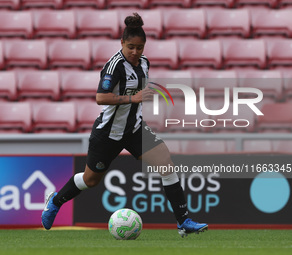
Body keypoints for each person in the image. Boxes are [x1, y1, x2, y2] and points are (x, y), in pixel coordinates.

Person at [42, 13, 208, 238]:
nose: (135, 52)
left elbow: (138, 93)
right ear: (122, 43)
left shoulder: (145, 64)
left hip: (135, 129)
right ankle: (56, 200)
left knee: (166, 164)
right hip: (109, 132)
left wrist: (140, 99)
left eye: (139, 48)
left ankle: (183, 222)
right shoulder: (114, 66)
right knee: (90, 180)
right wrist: (133, 98)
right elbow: (101, 98)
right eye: (131, 47)